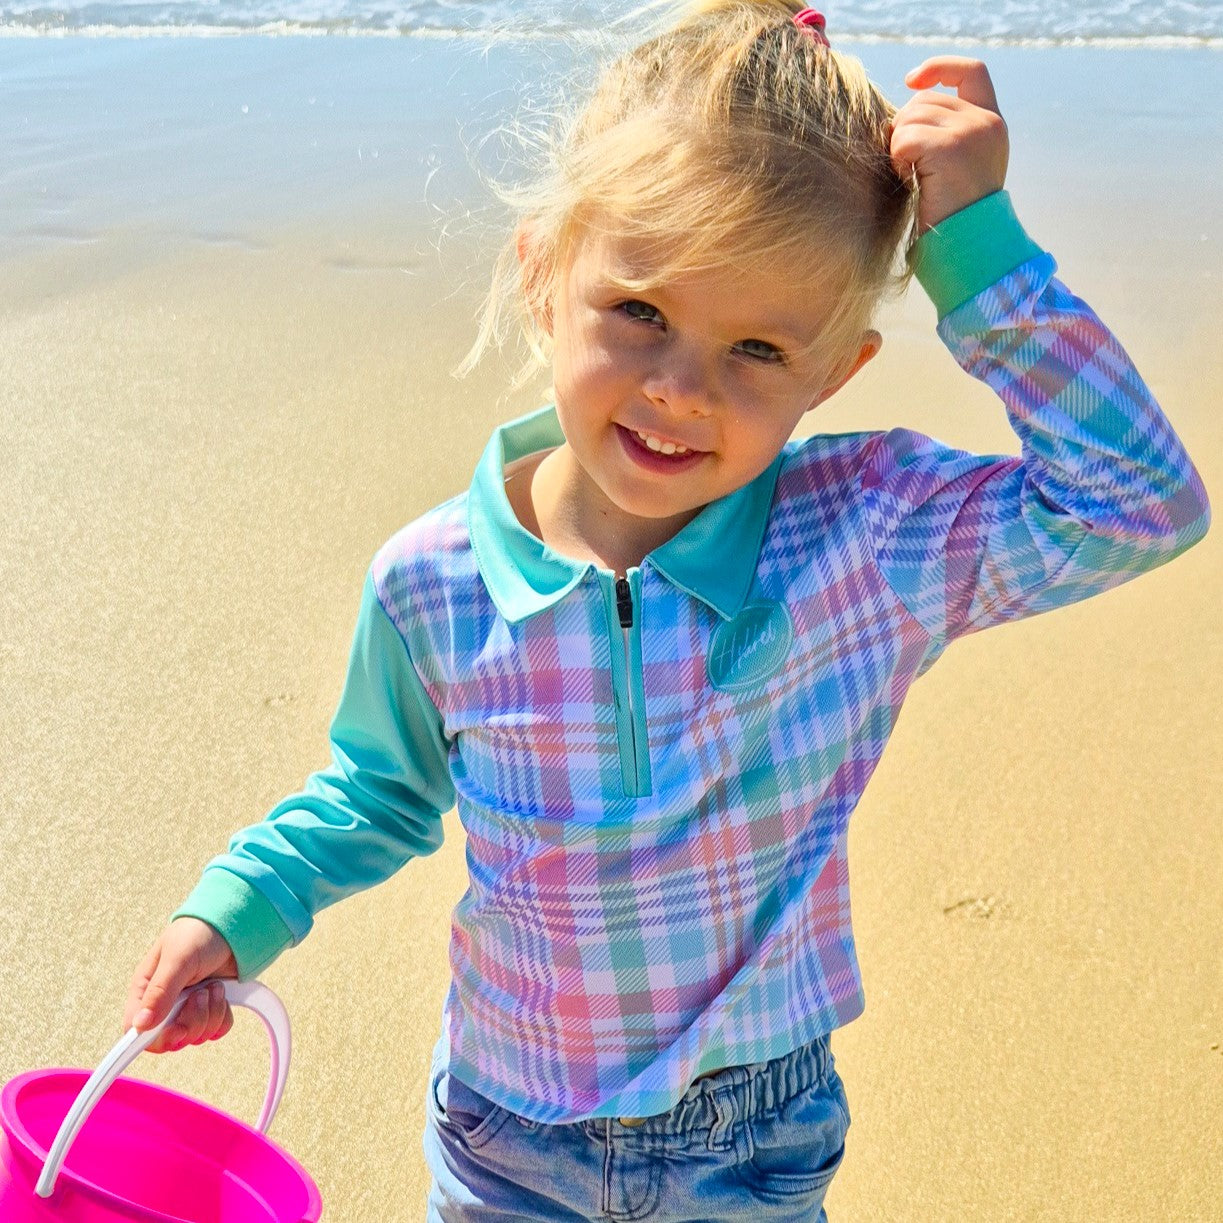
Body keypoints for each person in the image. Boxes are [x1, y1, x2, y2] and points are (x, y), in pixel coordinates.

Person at [121, 2, 1210, 1219]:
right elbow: (376, 791)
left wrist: (974, 250)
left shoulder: (864, 539)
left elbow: (1136, 503)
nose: (680, 389)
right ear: (546, 271)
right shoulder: (432, 579)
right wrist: (238, 908)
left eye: (755, 347)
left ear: (835, 368)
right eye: (639, 310)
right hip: (504, 1129)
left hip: (750, 1138)